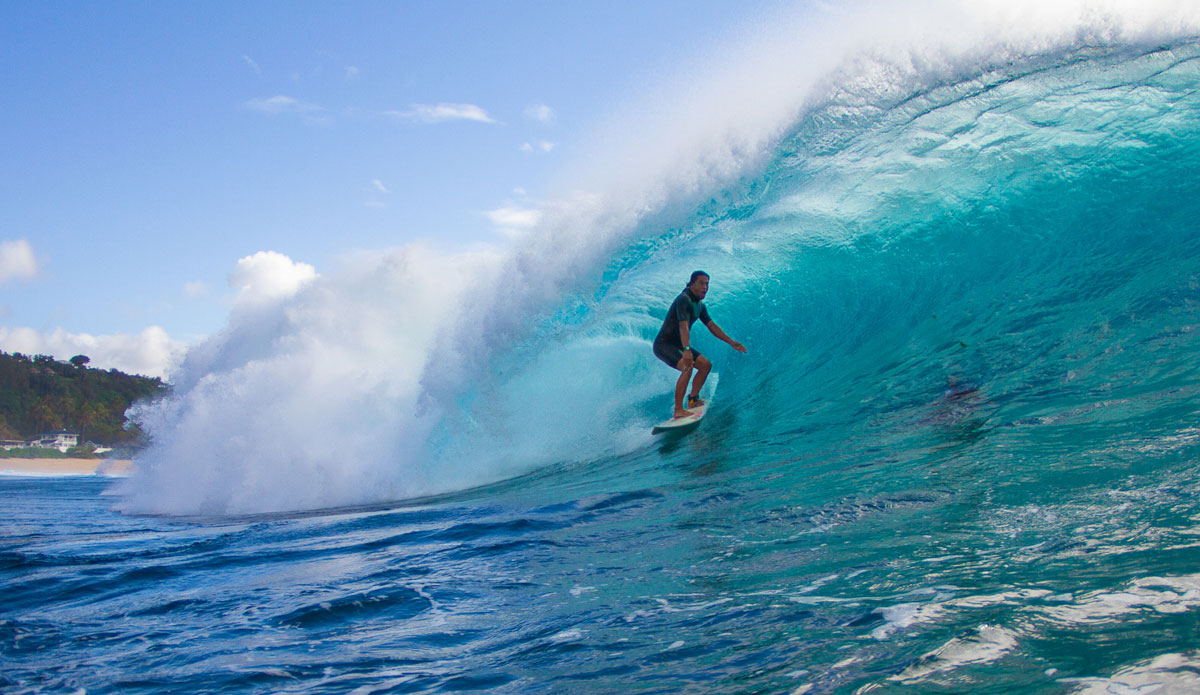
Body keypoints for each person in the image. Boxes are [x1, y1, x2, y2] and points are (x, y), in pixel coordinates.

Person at [653, 270, 747, 419]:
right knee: (687, 367)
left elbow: (711, 326)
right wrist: (687, 350)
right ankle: (678, 410)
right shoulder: (684, 299)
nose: (705, 287)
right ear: (692, 284)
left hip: (678, 344)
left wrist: (731, 342)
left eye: (707, 284)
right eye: (701, 283)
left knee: (705, 365)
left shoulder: (700, 305)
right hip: (664, 345)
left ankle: (692, 400)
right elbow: (683, 326)